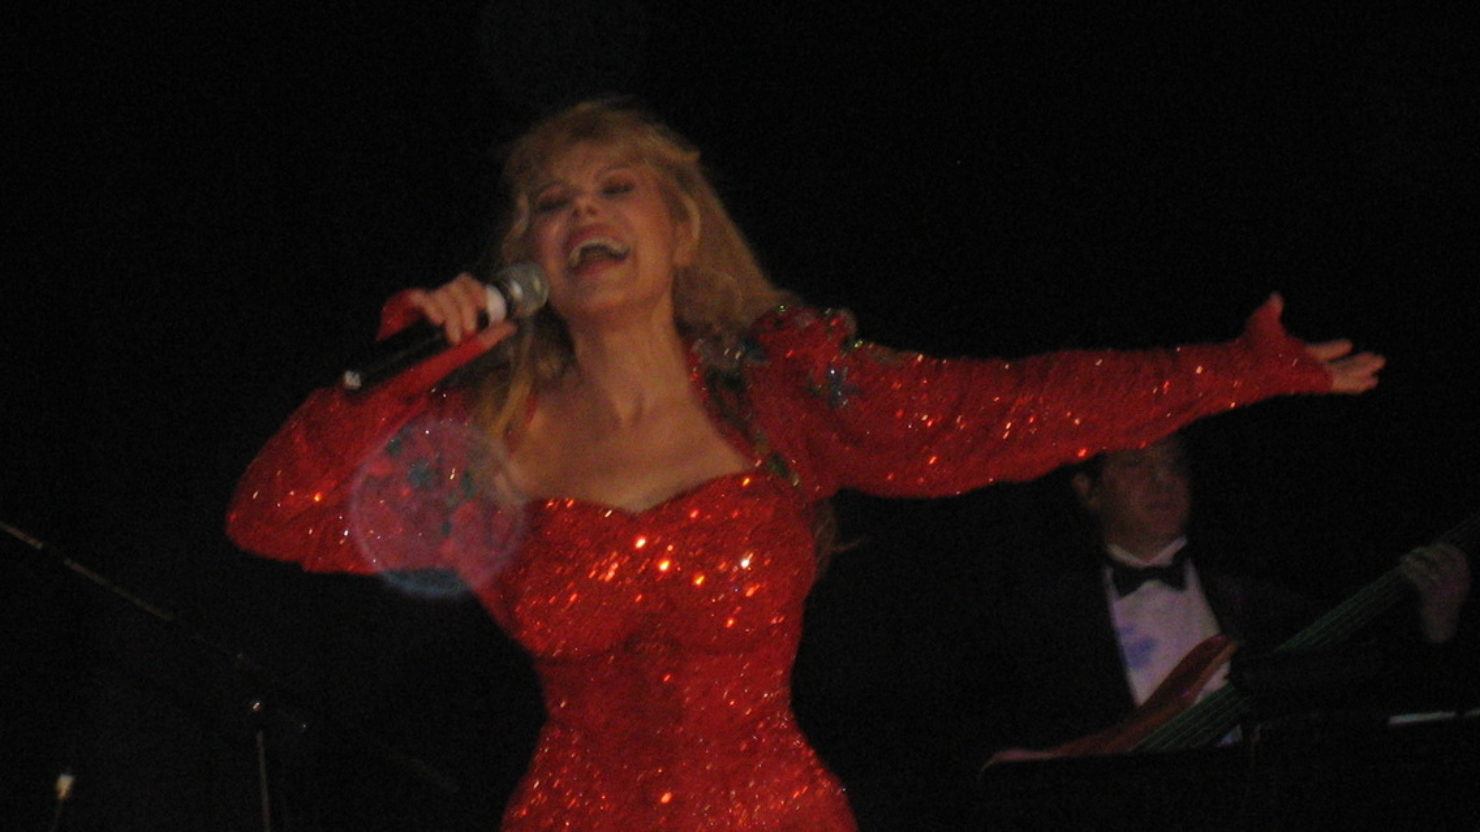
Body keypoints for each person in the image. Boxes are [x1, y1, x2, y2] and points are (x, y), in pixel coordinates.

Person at [225, 98, 1386, 831]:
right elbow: (270, 517)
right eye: (551, 203)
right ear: (525, 250)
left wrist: (1233, 371)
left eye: (615, 187)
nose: (582, 214)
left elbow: (1003, 409)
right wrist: (403, 374)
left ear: (680, 227)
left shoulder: (781, 393)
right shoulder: (489, 442)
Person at [981, 432, 1470, 758]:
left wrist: (1437, 624)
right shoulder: (1041, 622)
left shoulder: (1257, 600)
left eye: (1174, 465)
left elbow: (1369, 696)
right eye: (1136, 465)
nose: (1162, 480)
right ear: (1088, 490)